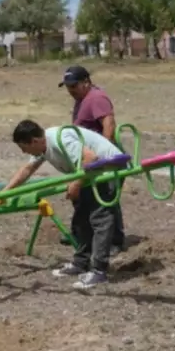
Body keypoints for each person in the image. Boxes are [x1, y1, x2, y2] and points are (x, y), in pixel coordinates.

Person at [2, 119, 122, 289]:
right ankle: (81, 262)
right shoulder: (42, 146)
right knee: (81, 219)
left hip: (108, 170)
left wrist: (76, 183)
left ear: (34, 141)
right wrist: (5, 192)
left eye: (24, 148)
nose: (24, 152)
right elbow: (27, 169)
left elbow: (91, 158)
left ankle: (98, 270)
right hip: (90, 174)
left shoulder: (60, 139)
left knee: (100, 219)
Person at [59, 65, 127, 253]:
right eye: (67, 86)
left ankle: (114, 241)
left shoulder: (96, 98)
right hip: (90, 158)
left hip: (105, 160)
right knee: (85, 197)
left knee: (106, 199)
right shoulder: (82, 99)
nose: (70, 90)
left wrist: (104, 159)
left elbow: (109, 125)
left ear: (86, 82)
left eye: (73, 86)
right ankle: (81, 234)